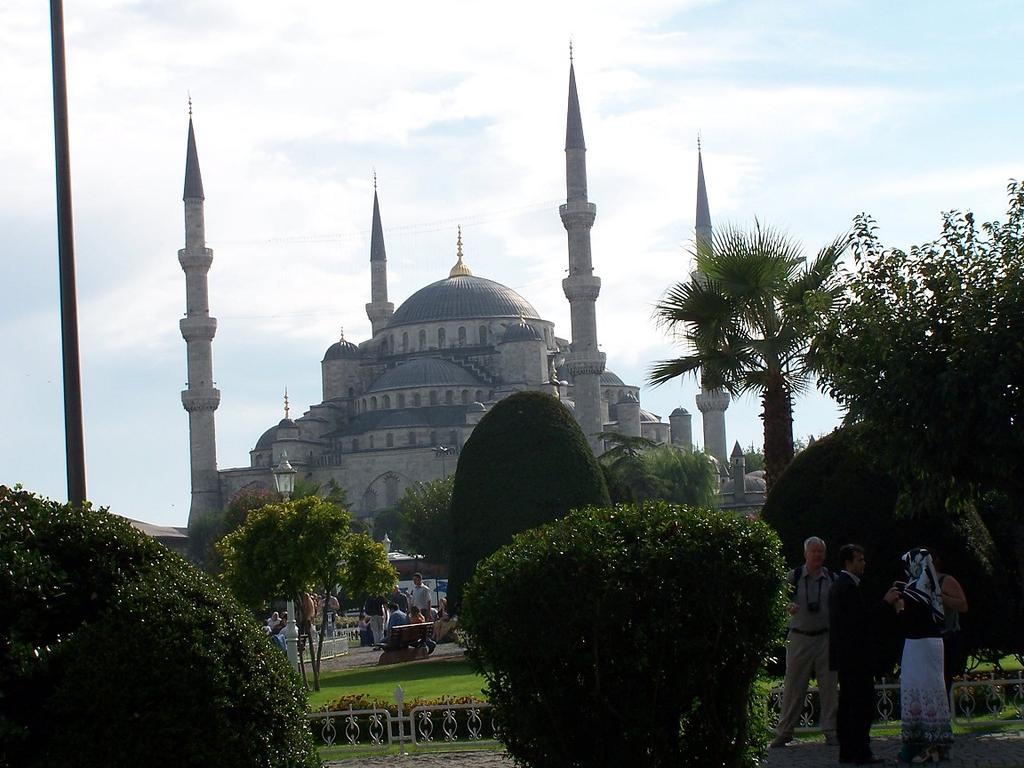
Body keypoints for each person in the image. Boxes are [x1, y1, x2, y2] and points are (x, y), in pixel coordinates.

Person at [829, 543, 902, 765]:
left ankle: (848, 750)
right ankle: (861, 750)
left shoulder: (839, 586)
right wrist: (885, 603)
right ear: (848, 562)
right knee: (861, 705)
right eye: (859, 560)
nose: (864, 563)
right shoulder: (848, 588)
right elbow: (862, 621)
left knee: (848, 704)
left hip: (846, 656)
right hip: (856, 657)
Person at [772, 536, 839, 748]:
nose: (817, 555)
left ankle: (831, 731)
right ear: (805, 554)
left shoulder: (831, 578)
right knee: (793, 686)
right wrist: (787, 608)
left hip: (825, 637)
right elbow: (778, 599)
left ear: (825, 555)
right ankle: (785, 731)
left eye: (821, 552)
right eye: (814, 552)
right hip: (799, 636)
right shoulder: (794, 577)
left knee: (829, 687)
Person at [891, 548, 954, 764]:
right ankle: (936, 745)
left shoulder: (914, 589)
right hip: (933, 644)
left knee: (917, 689)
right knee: (933, 689)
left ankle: (921, 744)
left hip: (917, 645)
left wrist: (898, 607)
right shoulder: (928, 585)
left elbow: (906, 621)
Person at [931, 551, 969, 697]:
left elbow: (963, 605)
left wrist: (942, 597)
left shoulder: (945, 580)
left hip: (946, 637)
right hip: (927, 638)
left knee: (943, 681)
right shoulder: (916, 582)